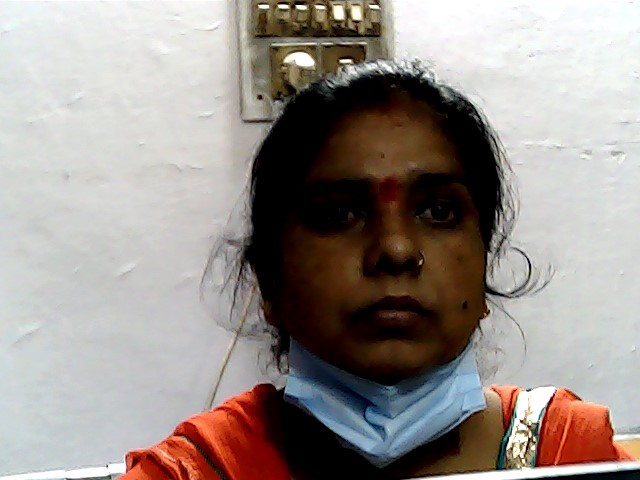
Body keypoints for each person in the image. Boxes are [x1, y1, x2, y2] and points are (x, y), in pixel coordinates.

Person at [120, 60, 634, 480]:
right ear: (268, 280)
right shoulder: (195, 473)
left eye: (438, 211)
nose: (395, 250)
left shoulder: (571, 458)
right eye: (339, 214)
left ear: (484, 266)